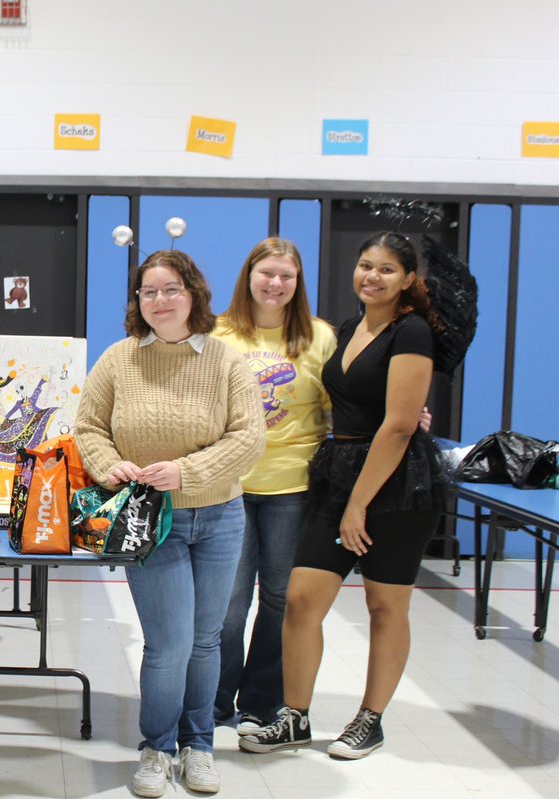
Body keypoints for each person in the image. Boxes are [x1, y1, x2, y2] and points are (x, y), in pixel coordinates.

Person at [239, 232, 449, 760]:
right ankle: (294, 718)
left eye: (385, 269)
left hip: (397, 483)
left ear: (406, 279)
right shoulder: (351, 327)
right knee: (302, 600)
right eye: (364, 266)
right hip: (340, 471)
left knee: (384, 605)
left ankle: (369, 720)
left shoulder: (413, 332)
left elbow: (399, 427)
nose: (371, 277)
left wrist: (358, 504)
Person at [75, 250, 265, 797]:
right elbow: (89, 428)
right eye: (148, 292)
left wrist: (186, 471)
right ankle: (156, 748)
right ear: (138, 302)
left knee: (207, 640)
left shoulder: (227, 361)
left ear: (194, 294)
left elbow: (247, 437)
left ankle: (198, 744)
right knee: (168, 644)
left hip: (222, 517)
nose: (159, 300)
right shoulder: (118, 359)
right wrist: (112, 466)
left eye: (170, 289)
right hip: (150, 521)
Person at [211, 238, 336, 733]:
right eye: (267, 273)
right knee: (228, 602)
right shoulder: (218, 333)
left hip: (293, 484)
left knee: (281, 599)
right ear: (248, 276)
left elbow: (336, 407)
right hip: (230, 485)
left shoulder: (319, 337)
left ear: (297, 283)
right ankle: (215, 698)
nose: (276, 284)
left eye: (287, 276)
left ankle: (262, 701)